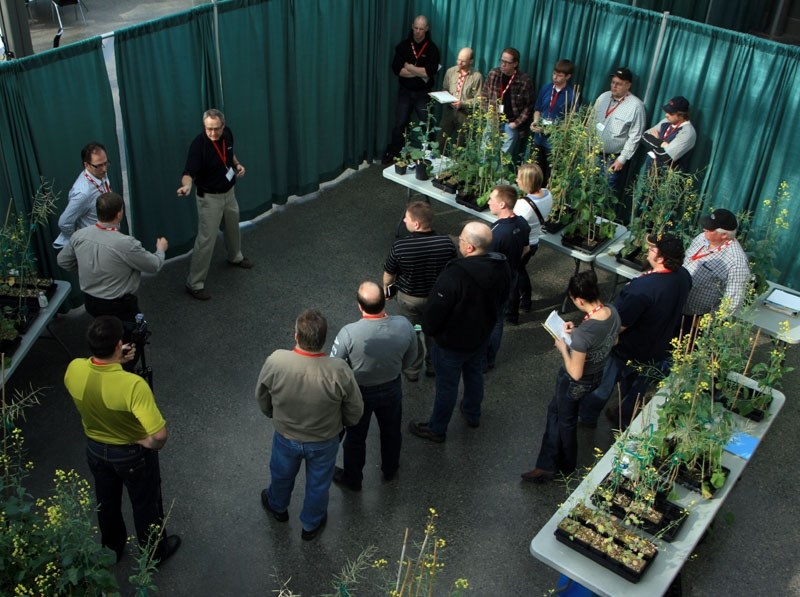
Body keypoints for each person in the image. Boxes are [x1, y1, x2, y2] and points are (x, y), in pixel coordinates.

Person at [64, 316, 180, 564]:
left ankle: (112, 549)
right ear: (120, 344)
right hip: (130, 454)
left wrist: (117, 361)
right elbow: (159, 435)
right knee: (145, 505)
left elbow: (99, 380)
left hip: (95, 450)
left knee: (106, 503)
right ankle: (154, 553)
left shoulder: (74, 368)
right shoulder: (133, 386)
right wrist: (148, 443)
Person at [256, 309, 363, 541]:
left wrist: (272, 414)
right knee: (318, 484)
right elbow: (355, 409)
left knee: (281, 475)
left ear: (296, 336)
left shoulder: (276, 361)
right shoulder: (339, 370)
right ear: (324, 339)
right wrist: (343, 424)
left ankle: (278, 506)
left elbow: (262, 396)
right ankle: (311, 524)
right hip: (324, 440)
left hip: (286, 436)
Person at [408, 221, 511, 442]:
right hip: (480, 337)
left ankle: (437, 429)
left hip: (451, 342)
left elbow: (436, 311)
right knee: (474, 375)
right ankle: (472, 413)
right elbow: (504, 299)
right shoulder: (501, 266)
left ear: (470, 248)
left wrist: (430, 329)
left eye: (461, 239)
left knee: (447, 386)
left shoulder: (455, 275)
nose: (459, 241)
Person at [579, 234, 691, 429]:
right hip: (658, 347)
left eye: (654, 249)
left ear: (661, 259)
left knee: (603, 386)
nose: (649, 249)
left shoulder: (642, 289)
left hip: (627, 349)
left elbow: (620, 324)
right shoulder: (683, 276)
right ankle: (623, 417)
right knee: (637, 388)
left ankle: (587, 417)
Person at [521, 271, 620, 483]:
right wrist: (575, 333)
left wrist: (563, 348)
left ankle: (565, 466)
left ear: (579, 300)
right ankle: (546, 464)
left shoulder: (584, 335)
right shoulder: (612, 311)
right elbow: (614, 340)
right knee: (556, 411)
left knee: (565, 420)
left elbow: (575, 372)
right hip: (597, 374)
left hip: (576, 383)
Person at [329, 281, 417, 491]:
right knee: (391, 431)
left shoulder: (348, 333)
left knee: (356, 437)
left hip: (359, 392)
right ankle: (390, 469)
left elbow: (335, 366)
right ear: (383, 302)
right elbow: (411, 357)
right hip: (392, 387)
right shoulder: (404, 325)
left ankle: (353, 478)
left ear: (360, 306)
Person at [57, 191, 167, 326]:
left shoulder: (79, 235)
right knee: (130, 339)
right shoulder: (125, 243)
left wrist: (87, 268)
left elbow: (62, 260)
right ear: (119, 214)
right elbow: (153, 265)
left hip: (91, 303)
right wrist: (160, 250)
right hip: (119, 307)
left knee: (105, 335)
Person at [177, 108, 252, 301]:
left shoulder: (227, 135)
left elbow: (229, 155)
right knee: (206, 239)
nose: (212, 133)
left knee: (232, 226)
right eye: (208, 129)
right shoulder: (198, 146)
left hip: (229, 193)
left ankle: (235, 257)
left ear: (223, 126)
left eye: (216, 129)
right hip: (209, 198)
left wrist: (237, 165)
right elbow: (188, 173)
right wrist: (186, 186)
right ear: (204, 126)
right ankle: (194, 283)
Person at [383, 200, 457, 380]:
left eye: (406, 218)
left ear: (416, 224)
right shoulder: (447, 244)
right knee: (432, 330)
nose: (404, 221)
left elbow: (389, 274)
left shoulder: (400, 246)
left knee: (414, 330)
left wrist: (387, 290)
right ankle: (433, 366)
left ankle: (412, 370)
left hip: (410, 302)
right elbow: (452, 270)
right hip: (436, 300)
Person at [382, 15, 441, 163]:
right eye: (416, 28)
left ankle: (429, 157)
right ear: (412, 26)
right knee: (400, 123)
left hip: (423, 94)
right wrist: (418, 71)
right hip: (405, 92)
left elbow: (429, 72)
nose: (418, 32)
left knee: (426, 125)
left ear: (426, 29)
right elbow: (398, 70)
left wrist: (409, 67)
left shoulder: (432, 49)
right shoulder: (403, 46)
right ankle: (395, 153)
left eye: (421, 29)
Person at [682, 209, 750, 326]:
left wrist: (704, 321)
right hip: (676, 304)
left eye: (710, 229)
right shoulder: (702, 237)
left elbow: (732, 302)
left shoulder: (736, 262)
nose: (704, 230)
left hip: (694, 318)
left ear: (724, 235)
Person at [486, 186, 529, 364]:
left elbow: (486, 262)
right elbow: (526, 248)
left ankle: (484, 359)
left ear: (502, 204)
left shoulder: (495, 233)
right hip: (512, 275)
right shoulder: (522, 223)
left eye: (491, 199)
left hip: (494, 283)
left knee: (489, 321)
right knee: (498, 320)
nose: (488, 202)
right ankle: (490, 359)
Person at [593, 67, 646, 191]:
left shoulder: (636, 106)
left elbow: (635, 136)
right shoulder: (603, 97)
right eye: (613, 82)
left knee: (605, 194)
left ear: (628, 85)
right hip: (593, 154)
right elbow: (591, 120)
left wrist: (622, 159)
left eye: (619, 84)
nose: (614, 86)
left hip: (612, 160)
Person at [530, 60, 580, 184]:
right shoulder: (546, 88)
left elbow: (570, 123)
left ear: (568, 76)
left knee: (548, 176)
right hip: (538, 139)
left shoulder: (571, 95)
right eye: (554, 74)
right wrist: (536, 122)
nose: (555, 77)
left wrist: (550, 130)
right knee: (534, 173)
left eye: (560, 75)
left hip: (553, 144)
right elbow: (538, 109)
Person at [53, 142, 112, 249]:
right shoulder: (83, 193)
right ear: (86, 165)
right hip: (96, 246)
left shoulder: (99, 173)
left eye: (105, 163)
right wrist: (81, 243)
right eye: (99, 166)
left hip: (109, 237)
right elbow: (64, 223)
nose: (104, 169)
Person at [513, 164, 553, 315]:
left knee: (515, 273)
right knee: (520, 270)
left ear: (527, 181)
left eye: (519, 178)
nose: (517, 180)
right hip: (534, 241)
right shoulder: (547, 194)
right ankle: (526, 301)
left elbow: (515, 224)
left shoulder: (523, 205)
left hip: (524, 245)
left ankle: (521, 303)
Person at [481, 47, 534, 157]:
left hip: (511, 123)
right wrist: (488, 114)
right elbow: (484, 95)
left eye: (507, 62)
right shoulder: (494, 74)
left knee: (503, 156)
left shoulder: (524, 80)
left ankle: (499, 174)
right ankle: (482, 174)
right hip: (493, 120)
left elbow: (529, 106)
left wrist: (516, 123)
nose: (503, 65)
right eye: (502, 61)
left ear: (515, 64)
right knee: (485, 152)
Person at [438, 47, 483, 148]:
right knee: (441, 141)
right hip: (449, 111)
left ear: (471, 61)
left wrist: (463, 104)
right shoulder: (450, 72)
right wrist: (445, 96)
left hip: (464, 115)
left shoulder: (477, 77)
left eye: (463, 61)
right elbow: (445, 88)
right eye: (458, 60)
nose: (459, 63)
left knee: (460, 145)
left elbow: (478, 99)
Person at [642, 96, 697, 171]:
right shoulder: (666, 121)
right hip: (651, 169)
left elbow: (664, 156)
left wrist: (654, 141)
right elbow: (644, 136)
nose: (666, 115)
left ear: (681, 115)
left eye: (671, 113)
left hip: (667, 178)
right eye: (666, 111)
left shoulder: (687, 132)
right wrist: (661, 144)